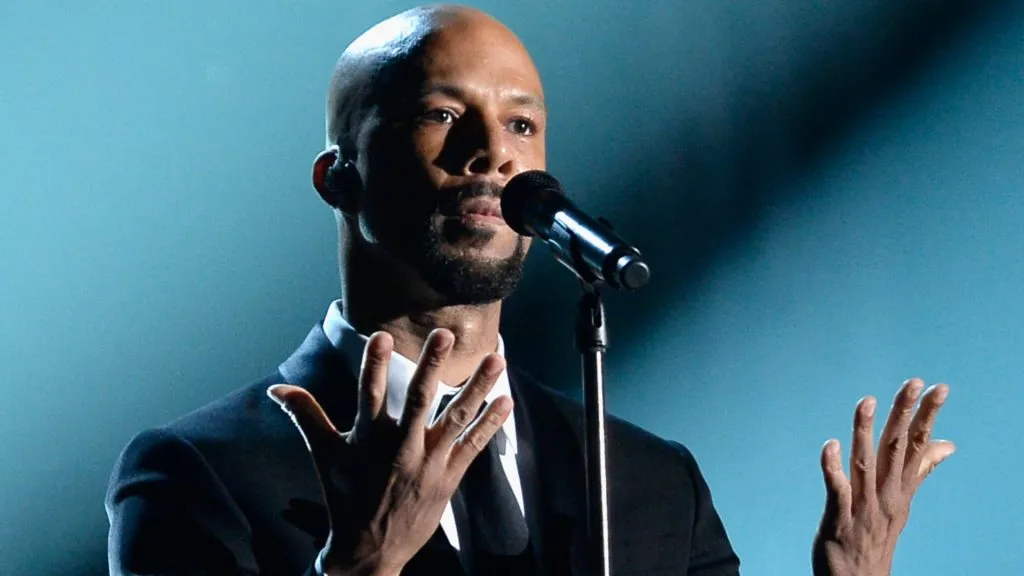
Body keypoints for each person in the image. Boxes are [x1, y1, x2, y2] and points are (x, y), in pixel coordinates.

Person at [105, 5, 956, 575]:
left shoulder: (650, 481)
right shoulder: (198, 472)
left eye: (521, 123)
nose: (493, 153)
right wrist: (361, 567)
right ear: (340, 177)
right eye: (440, 116)